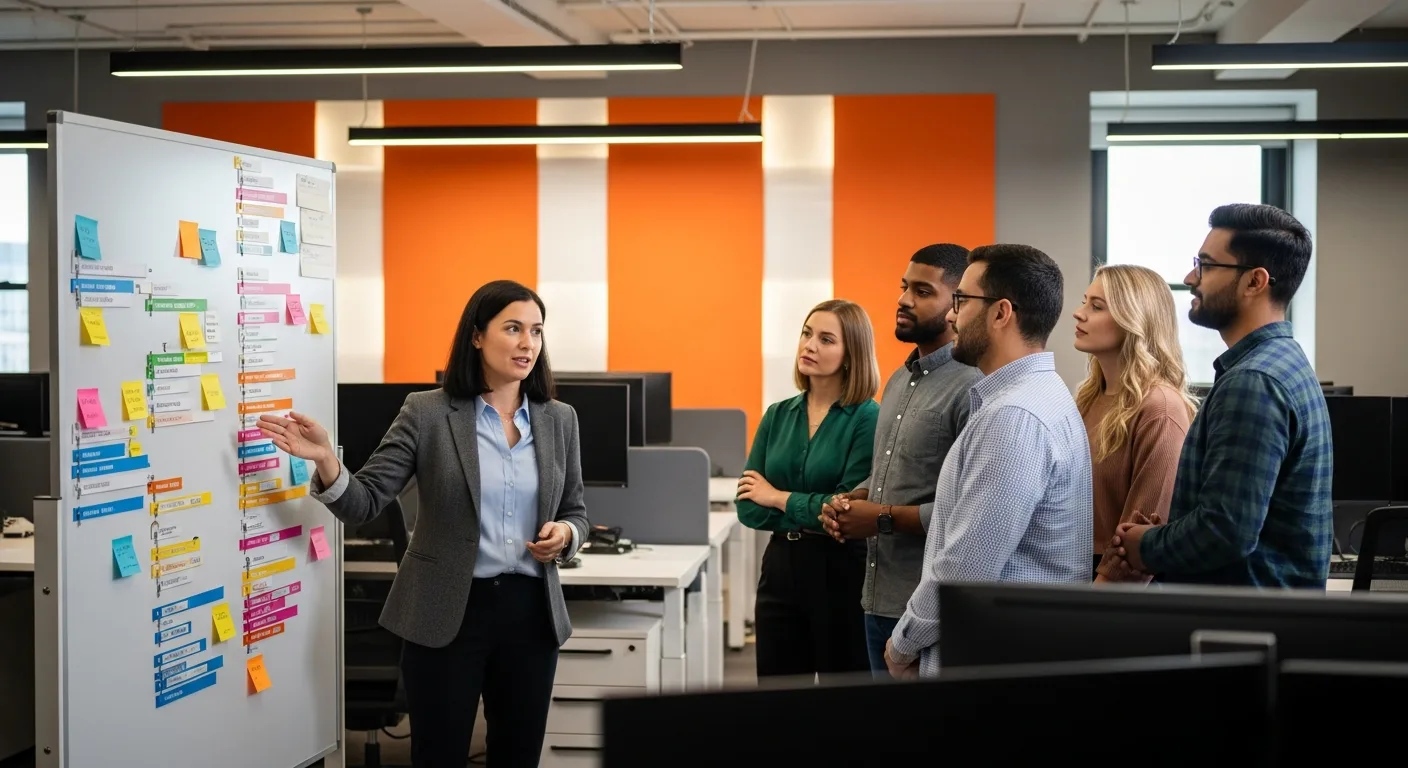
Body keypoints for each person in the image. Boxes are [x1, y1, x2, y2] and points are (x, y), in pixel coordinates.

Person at [258, 280, 590, 768]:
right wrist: (327, 459)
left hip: (531, 613)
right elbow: (365, 502)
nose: (528, 344)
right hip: (447, 612)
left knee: (518, 756)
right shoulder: (428, 412)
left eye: (537, 331)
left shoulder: (559, 419)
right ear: (477, 336)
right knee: (438, 756)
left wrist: (565, 536)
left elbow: (576, 511)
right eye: (514, 328)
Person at [884, 244, 1091, 680]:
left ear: (1000, 313)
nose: (952, 316)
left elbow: (966, 566)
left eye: (960, 301)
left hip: (993, 663)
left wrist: (903, 642)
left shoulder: (1014, 416)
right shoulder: (1034, 397)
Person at [1110, 204, 1332, 587]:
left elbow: (1225, 531)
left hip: (1238, 620)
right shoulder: (1283, 362)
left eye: (1207, 265)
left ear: (1255, 282)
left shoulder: (1254, 381)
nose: (1190, 277)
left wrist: (1145, 546)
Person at [818, 244, 982, 677]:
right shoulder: (898, 380)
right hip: (875, 595)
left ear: (957, 305)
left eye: (923, 291)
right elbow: (893, 473)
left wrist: (880, 518)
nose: (904, 299)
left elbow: (966, 511)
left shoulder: (973, 387)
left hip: (924, 610)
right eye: (904, 286)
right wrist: (855, 499)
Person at [735, 299, 881, 680]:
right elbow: (749, 507)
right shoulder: (778, 414)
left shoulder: (867, 417)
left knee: (841, 700)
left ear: (852, 354)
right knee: (779, 696)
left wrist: (777, 496)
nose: (809, 345)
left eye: (826, 339)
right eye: (806, 333)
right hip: (781, 566)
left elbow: (847, 513)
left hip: (841, 570)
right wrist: (812, 508)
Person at [1072, 264, 1196, 583]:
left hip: (1117, 587)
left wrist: (1087, 610)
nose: (1078, 313)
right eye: (1085, 301)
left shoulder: (1160, 408)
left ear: (1134, 321)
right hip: (1074, 570)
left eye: (1096, 307)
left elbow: (1143, 537)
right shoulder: (1087, 398)